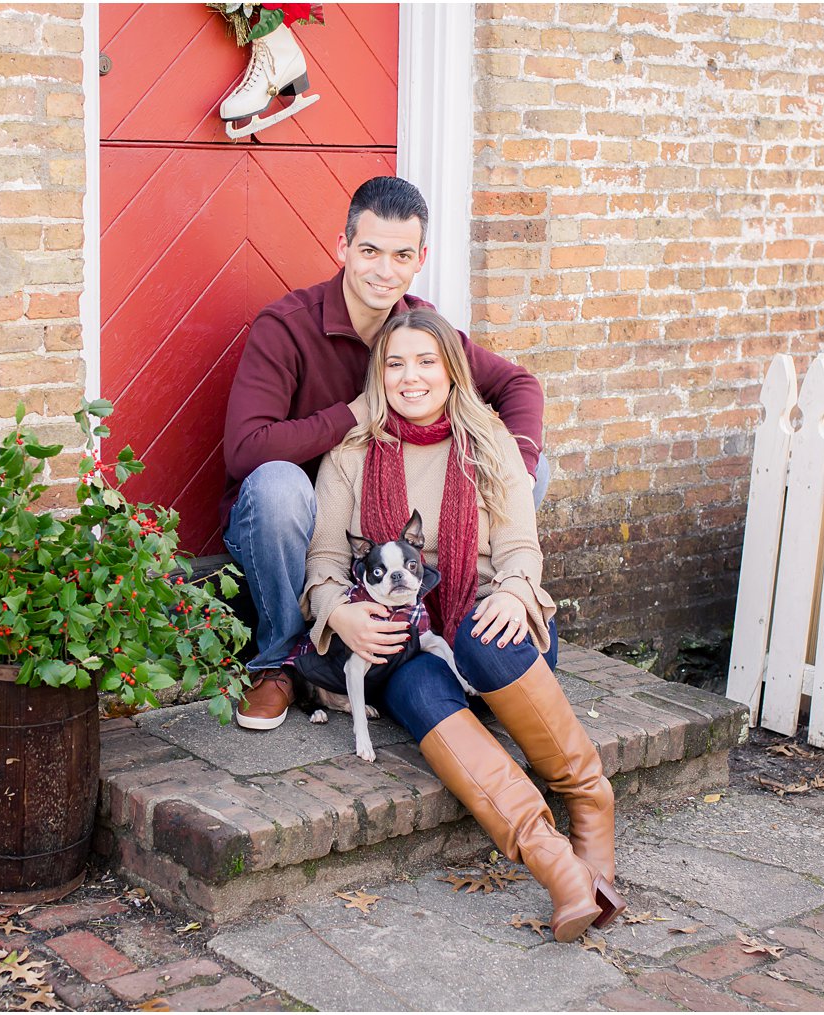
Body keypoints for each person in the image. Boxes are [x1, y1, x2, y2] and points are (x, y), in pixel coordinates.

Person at [300, 307, 623, 939]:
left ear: (452, 371)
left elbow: (520, 546)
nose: (410, 377)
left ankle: (589, 799)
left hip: (488, 636)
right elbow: (324, 565)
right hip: (409, 638)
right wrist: (342, 613)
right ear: (378, 374)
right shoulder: (351, 453)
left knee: (482, 632)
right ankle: (557, 866)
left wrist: (512, 591)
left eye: (426, 362)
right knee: (415, 686)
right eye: (395, 364)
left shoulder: (490, 439)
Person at [222, 176, 547, 731]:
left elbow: (519, 386)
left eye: (401, 255)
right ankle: (279, 661)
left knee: (528, 465)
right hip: (298, 523)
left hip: (395, 534)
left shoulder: (423, 329)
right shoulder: (287, 328)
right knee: (280, 486)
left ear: (420, 258)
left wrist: (510, 464)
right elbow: (245, 451)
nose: (383, 270)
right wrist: (354, 412)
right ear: (343, 247)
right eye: (369, 250)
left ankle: (447, 603)